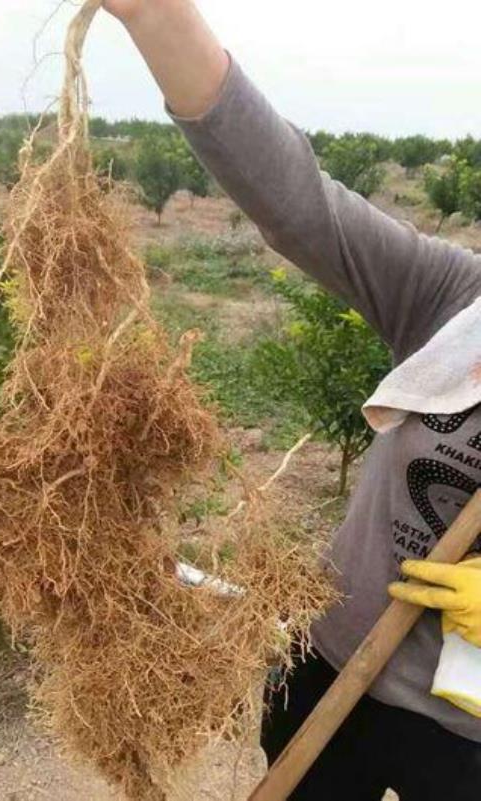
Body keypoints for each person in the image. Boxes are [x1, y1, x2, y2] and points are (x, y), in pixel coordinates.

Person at [103, 1, 481, 798]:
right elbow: (299, 205)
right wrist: (155, 16)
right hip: (330, 669)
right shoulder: (456, 303)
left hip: (467, 733)